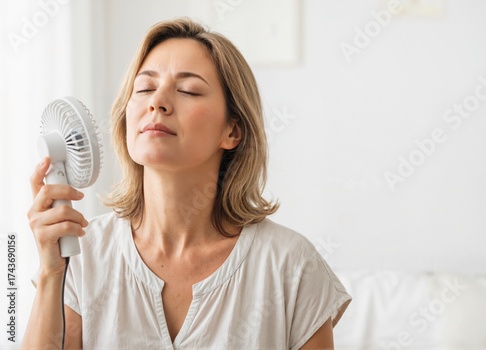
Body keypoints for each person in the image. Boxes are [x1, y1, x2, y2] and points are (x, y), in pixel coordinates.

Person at [23, 18, 351, 349]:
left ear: (232, 131)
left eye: (188, 90)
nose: (158, 102)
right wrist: (52, 274)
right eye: (145, 88)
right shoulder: (83, 256)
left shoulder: (290, 266)